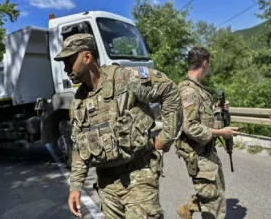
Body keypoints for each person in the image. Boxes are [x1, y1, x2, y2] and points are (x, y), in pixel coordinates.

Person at [53, 33, 183, 219]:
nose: (66, 69)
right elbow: (79, 147)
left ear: (87, 57)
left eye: (69, 61)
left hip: (138, 175)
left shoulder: (125, 78)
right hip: (107, 185)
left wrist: (166, 138)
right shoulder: (78, 102)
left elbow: (169, 90)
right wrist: (75, 187)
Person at [175, 47, 240, 219]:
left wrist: (217, 109)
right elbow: (190, 126)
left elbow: (201, 115)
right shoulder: (188, 91)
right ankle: (192, 209)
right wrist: (220, 132)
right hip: (197, 153)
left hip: (206, 150)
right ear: (205, 63)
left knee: (217, 190)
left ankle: (188, 209)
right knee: (215, 204)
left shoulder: (198, 89)